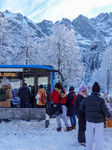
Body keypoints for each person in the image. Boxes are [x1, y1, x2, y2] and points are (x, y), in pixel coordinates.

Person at [80, 82, 111, 150]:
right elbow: (105, 110)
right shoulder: (101, 100)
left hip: (89, 120)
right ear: (99, 91)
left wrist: (87, 111)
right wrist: (109, 115)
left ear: (92, 90)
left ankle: (88, 148)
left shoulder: (86, 98)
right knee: (99, 138)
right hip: (99, 122)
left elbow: (81, 106)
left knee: (89, 137)